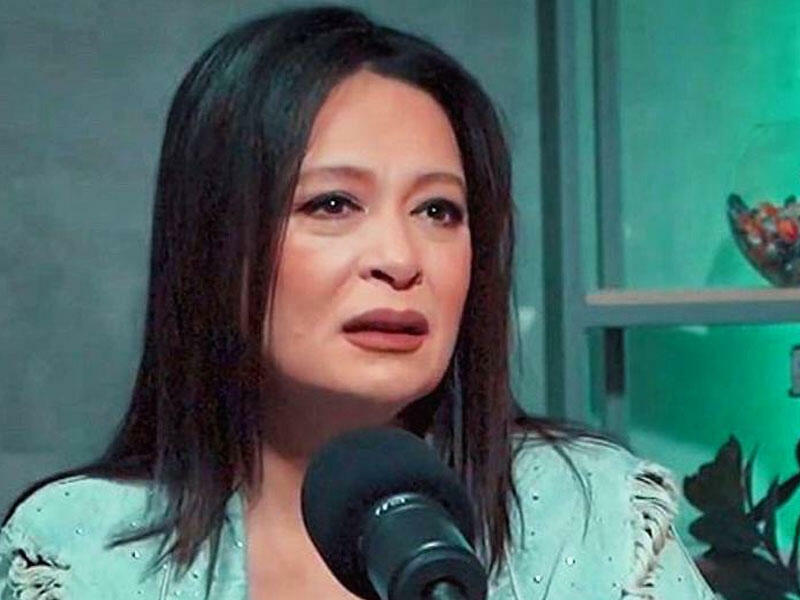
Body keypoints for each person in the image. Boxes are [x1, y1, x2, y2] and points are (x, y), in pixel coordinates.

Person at [0, 6, 716, 599]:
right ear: (215, 241)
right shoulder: (81, 553)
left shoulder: (588, 516)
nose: (400, 261)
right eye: (333, 204)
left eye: (438, 211)